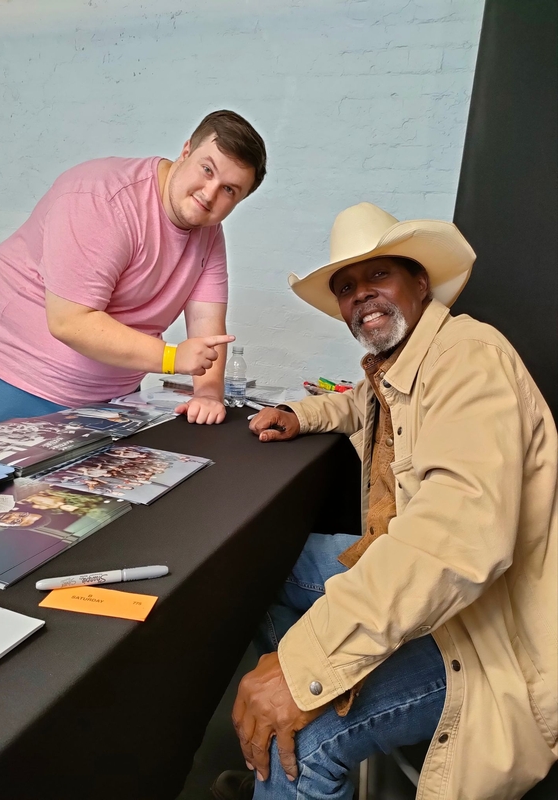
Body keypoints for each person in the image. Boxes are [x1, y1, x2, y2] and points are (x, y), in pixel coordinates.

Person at [213, 203, 557, 800]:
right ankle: (289, 746)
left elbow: (455, 540)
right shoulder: (403, 361)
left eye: (378, 277)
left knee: (305, 740)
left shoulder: (471, 360)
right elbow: (359, 402)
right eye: (347, 288)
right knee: (266, 561)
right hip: (434, 593)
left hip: (486, 634)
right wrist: (300, 413)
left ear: (420, 282)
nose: (361, 296)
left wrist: (307, 670)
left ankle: (289, 753)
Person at [0, 110, 266, 431]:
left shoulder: (209, 231)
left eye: (229, 189)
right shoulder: (102, 198)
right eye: (206, 169)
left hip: (110, 397)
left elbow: (207, 327)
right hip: (13, 370)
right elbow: (69, 321)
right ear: (186, 150)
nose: (209, 192)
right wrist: (172, 358)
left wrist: (208, 394)